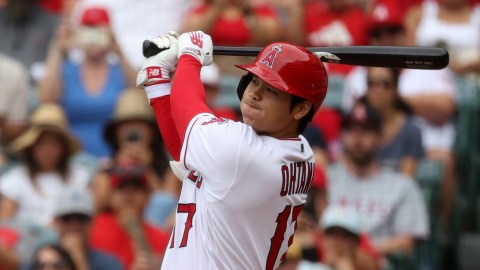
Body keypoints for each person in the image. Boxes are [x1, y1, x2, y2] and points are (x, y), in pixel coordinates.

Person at [136, 29, 328, 269]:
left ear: (301, 109)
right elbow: (188, 151)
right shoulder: (301, 152)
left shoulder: (242, 153)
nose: (255, 94)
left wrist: (190, 54)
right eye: (255, 81)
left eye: (271, 90)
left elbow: (188, 106)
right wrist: (158, 82)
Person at [328, 103, 429, 257]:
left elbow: (406, 242)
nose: (357, 137)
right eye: (350, 130)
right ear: (341, 135)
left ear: (381, 136)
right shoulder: (325, 180)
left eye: (366, 130)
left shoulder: (402, 186)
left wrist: (358, 253)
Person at [38, 6, 135, 159]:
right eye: (87, 32)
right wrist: (58, 48)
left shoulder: (120, 71)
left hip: (114, 157)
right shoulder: (66, 70)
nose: (93, 39)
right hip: (72, 159)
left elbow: (140, 97)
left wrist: (119, 51)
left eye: (99, 33)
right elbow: (46, 99)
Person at [93, 89, 179, 229]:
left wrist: (145, 169)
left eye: (139, 123)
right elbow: (96, 209)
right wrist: (120, 168)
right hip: (114, 231)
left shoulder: (170, 167)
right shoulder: (106, 168)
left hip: (155, 233)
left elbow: (167, 204)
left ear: (152, 130)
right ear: (116, 132)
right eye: (126, 124)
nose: (132, 130)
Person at [0, 103, 91, 227]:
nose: (48, 150)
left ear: (63, 147)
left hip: (67, 241)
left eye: (54, 143)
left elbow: (86, 221)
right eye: (42, 143)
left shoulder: (80, 176)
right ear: (31, 147)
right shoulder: (15, 180)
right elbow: (5, 225)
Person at [89, 164, 170, 269]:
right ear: (110, 196)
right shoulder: (92, 227)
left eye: (136, 188)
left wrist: (137, 233)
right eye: (121, 188)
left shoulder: (162, 237)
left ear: (148, 197)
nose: (128, 194)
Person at [22, 187, 123, 270]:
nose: (74, 226)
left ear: (92, 222)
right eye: (67, 218)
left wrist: (78, 259)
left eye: (81, 218)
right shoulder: (40, 260)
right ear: (56, 221)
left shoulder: (108, 263)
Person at [359, 67, 424, 177]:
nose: (378, 90)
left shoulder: (411, 131)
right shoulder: (356, 126)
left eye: (386, 84)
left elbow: (406, 180)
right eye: (372, 83)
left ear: (395, 89)